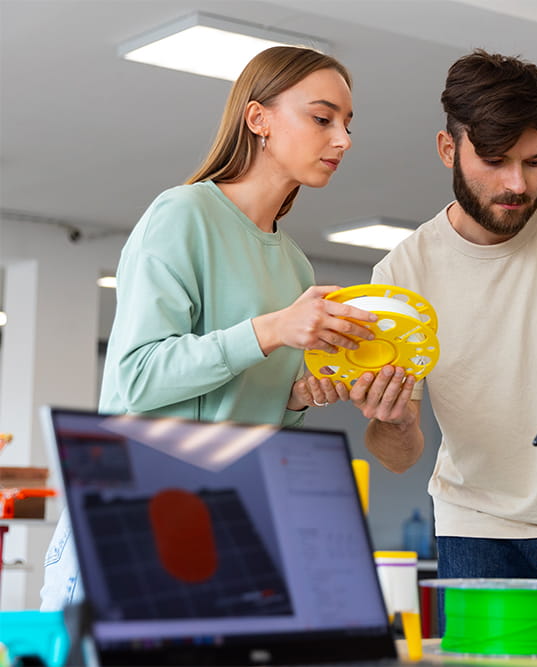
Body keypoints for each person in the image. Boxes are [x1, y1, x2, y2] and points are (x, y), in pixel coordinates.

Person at [40, 45, 380, 609]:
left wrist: (294, 398)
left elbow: (239, 408)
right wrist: (271, 330)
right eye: (323, 119)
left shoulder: (295, 264)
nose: (342, 139)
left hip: (221, 522)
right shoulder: (182, 215)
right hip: (134, 515)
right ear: (258, 119)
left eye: (347, 124)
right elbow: (139, 377)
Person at [338, 50, 537, 591]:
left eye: (536, 161)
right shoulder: (401, 273)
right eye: (494, 160)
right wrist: (394, 421)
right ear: (449, 149)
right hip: (478, 531)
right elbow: (397, 456)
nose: (517, 183)